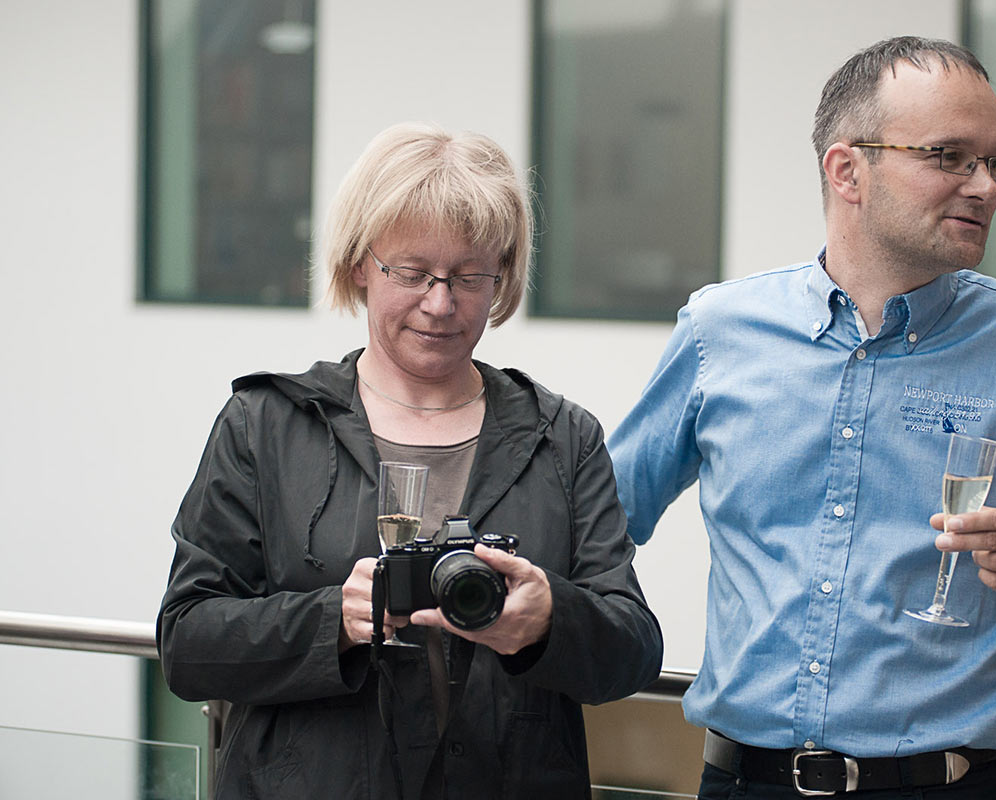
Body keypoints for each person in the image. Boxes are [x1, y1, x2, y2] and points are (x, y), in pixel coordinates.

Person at [607, 36, 996, 799]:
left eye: (995, 162)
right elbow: (601, 523)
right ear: (848, 171)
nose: (985, 187)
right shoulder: (719, 332)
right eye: (949, 156)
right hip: (745, 782)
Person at [157, 122, 663, 799]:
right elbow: (189, 644)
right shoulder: (267, 425)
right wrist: (334, 620)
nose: (441, 303)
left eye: (468, 276)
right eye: (414, 272)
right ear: (361, 265)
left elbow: (632, 651)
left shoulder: (562, 438)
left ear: (502, 277)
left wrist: (549, 619)